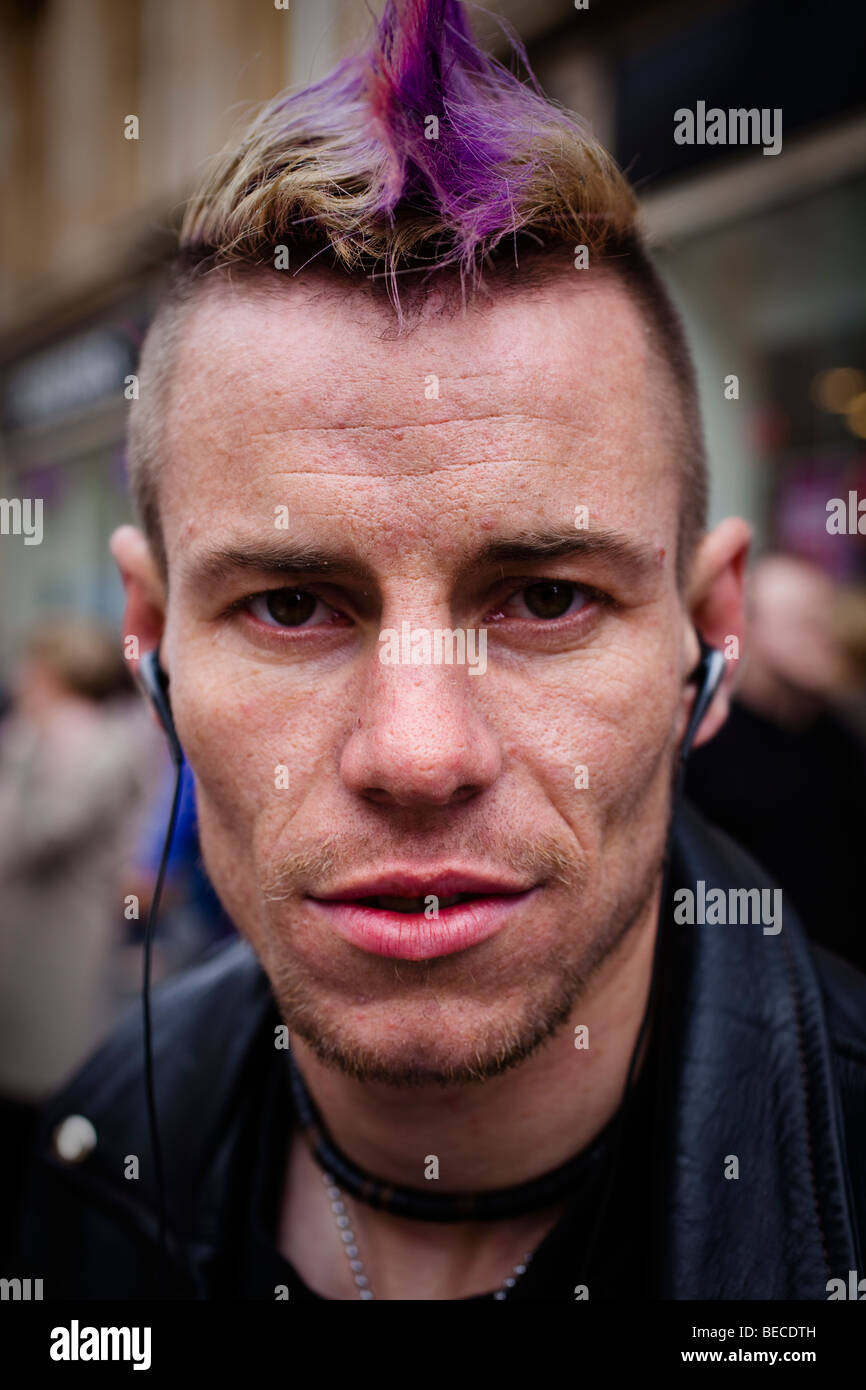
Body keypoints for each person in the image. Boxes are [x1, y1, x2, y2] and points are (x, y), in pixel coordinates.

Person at [16, 0, 866, 1301]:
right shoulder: (87, 1169)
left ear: (710, 639)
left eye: (543, 595)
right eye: (292, 606)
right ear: (148, 645)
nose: (417, 754)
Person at [0, 616, 150, 1262]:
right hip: (25, 938)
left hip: (62, 943)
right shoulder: (47, 739)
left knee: (52, 1082)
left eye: (35, 670)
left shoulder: (96, 745)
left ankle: (50, 1237)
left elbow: (28, 837)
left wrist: (17, 750)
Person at [687, 553, 866, 973]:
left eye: (829, 619)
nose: (827, 636)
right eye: (806, 622)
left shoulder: (841, 740)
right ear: (746, 628)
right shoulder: (704, 747)